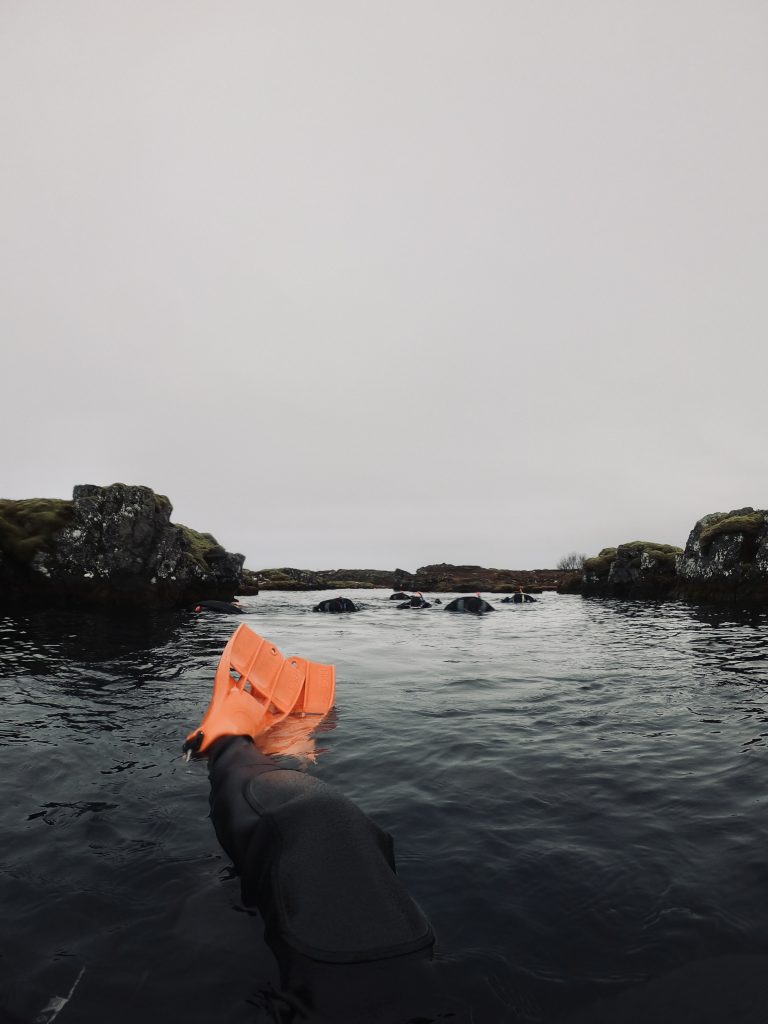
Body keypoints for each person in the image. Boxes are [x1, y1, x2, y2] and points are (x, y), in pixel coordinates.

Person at [184, 666, 469, 1022]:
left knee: (320, 815)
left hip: (319, 976)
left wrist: (229, 743)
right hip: (409, 979)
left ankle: (228, 742)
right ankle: (241, 749)